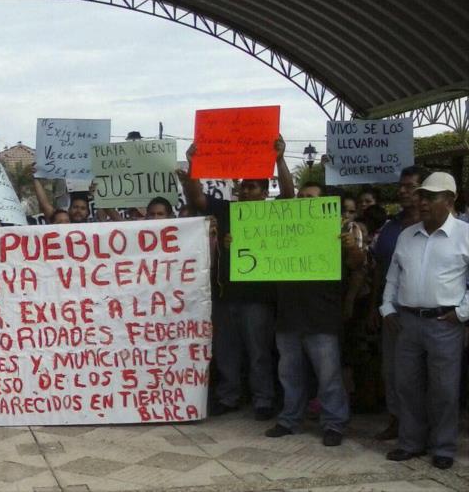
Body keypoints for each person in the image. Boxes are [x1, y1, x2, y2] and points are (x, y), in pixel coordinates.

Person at [180, 137, 294, 420]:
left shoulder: (272, 213)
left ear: (265, 192)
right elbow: (197, 198)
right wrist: (193, 162)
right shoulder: (226, 209)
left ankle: (263, 399)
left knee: (258, 352)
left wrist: (279, 160)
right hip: (224, 294)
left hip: (257, 298)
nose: (245, 191)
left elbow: (290, 195)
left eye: (252, 186)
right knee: (226, 350)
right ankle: (229, 396)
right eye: (243, 186)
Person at [382, 172, 469, 470]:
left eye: (431, 197)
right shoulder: (408, 235)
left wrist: (461, 312)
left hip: (444, 324)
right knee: (407, 385)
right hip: (407, 321)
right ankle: (410, 442)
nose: (423, 202)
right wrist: (386, 307)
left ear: (449, 199)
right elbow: (394, 275)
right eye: (422, 196)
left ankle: (443, 446)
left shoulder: (465, 234)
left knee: (444, 389)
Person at [264, 182, 359, 446]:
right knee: (289, 373)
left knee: (328, 375)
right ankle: (289, 419)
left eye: (311, 198)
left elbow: (357, 265)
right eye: (301, 196)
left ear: (323, 203)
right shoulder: (281, 230)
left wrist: (351, 247)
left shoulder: (340, 230)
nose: (304, 201)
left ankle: (334, 423)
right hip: (288, 314)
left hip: (322, 314)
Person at [368, 166, 430, 441]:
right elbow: (380, 270)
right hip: (392, 311)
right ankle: (397, 419)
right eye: (402, 186)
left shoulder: (440, 227)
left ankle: (426, 425)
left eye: (410, 186)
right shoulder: (391, 227)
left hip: (429, 314)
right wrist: (375, 307)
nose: (403, 191)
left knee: (426, 374)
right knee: (392, 370)